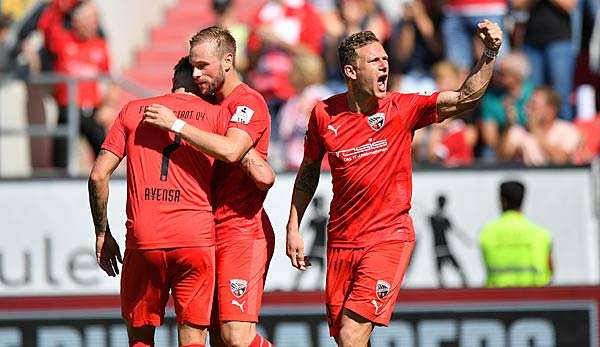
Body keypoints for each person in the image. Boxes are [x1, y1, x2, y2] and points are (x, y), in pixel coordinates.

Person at [286, 21, 502, 345]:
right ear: (351, 71)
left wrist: (489, 53)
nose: (384, 64)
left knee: (351, 333)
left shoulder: (402, 108)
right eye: (374, 61)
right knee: (349, 336)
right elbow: (308, 170)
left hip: (388, 237)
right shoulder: (323, 114)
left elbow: (464, 98)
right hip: (342, 240)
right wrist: (293, 226)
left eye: (385, 59)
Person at [142, 26, 275, 347]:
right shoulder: (209, 106)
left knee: (236, 336)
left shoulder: (248, 102)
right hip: (204, 233)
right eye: (193, 66)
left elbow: (231, 150)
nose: (197, 73)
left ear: (228, 61)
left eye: (204, 66)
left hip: (241, 230)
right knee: (215, 337)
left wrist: (176, 124)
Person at [88, 58, 229, 346]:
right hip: (195, 239)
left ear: (174, 78)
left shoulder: (132, 111)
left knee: (139, 338)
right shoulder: (216, 115)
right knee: (193, 339)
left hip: (144, 239)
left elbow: (98, 176)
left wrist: (102, 233)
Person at [480, 180, 553, 287]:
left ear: (502, 201)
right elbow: (550, 271)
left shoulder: (487, 232)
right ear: (523, 200)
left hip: (498, 299)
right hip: (535, 299)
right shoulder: (541, 234)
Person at [501, 86, 582, 166]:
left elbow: (561, 160)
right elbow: (504, 156)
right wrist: (509, 123)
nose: (528, 108)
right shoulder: (518, 130)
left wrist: (535, 130)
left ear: (550, 110)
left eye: (534, 105)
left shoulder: (568, 130)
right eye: (528, 104)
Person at [428, 194, 469, 288]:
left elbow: (454, 230)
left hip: (441, 247)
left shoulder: (440, 218)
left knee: (448, 268)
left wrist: (465, 239)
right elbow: (455, 231)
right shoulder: (433, 218)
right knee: (444, 269)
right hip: (440, 247)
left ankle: (463, 283)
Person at [293, 196, 328, 290]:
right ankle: (296, 285)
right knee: (306, 266)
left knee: (321, 269)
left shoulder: (325, 220)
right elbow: (303, 233)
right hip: (316, 248)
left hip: (321, 248)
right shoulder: (316, 220)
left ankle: (317, 286)